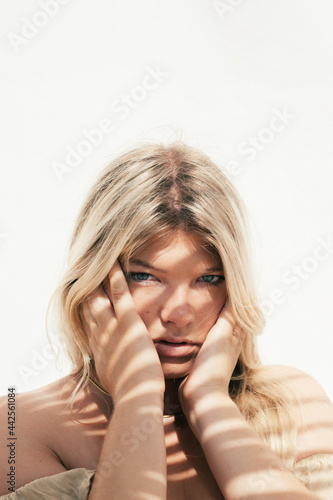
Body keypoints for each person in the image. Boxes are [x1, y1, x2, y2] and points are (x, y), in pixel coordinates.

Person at [1, 142, 333, 499]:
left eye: (210, 278)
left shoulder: (291, 403)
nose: (179, 313)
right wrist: (135, 396)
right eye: (145, 276)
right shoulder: (19, 426)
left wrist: (209, 399)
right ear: (94, 283)